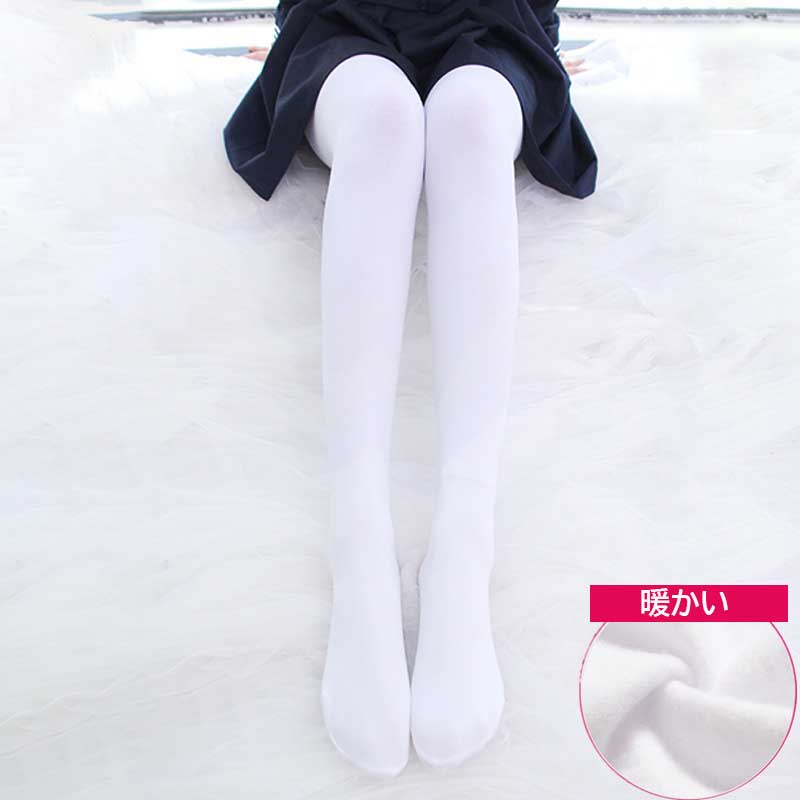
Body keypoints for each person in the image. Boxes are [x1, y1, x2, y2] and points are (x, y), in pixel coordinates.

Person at [223, 0, 598, 776]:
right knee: (384, 115)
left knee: (469, 115)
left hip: (494, 23)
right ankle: (358, 531)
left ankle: (464, 535)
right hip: (344, 21)